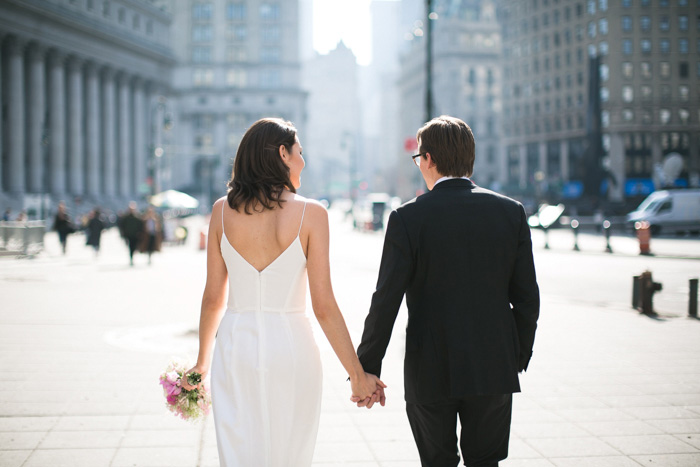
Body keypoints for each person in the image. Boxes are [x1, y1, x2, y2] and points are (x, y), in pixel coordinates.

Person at [181, 118, 385, 466]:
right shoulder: (312, 214)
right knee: (291, 453)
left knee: (239, 453)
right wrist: (357, 375)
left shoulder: (220, 211)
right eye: (300, 152)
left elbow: (213, 297)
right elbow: (324, 306)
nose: (303, 161)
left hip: (234, 346)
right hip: (292, 346)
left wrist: (201, 364)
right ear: (282, 153)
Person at [355, 116, 540, 467]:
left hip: (430, 367)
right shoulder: (510, 212)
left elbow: (386, 300)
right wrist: (517, 354)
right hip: (493, 364)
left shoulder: (408, 218)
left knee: (437, 462)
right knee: (485, 462)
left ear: (427, 159)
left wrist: (367, 368)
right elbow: (528, 297)